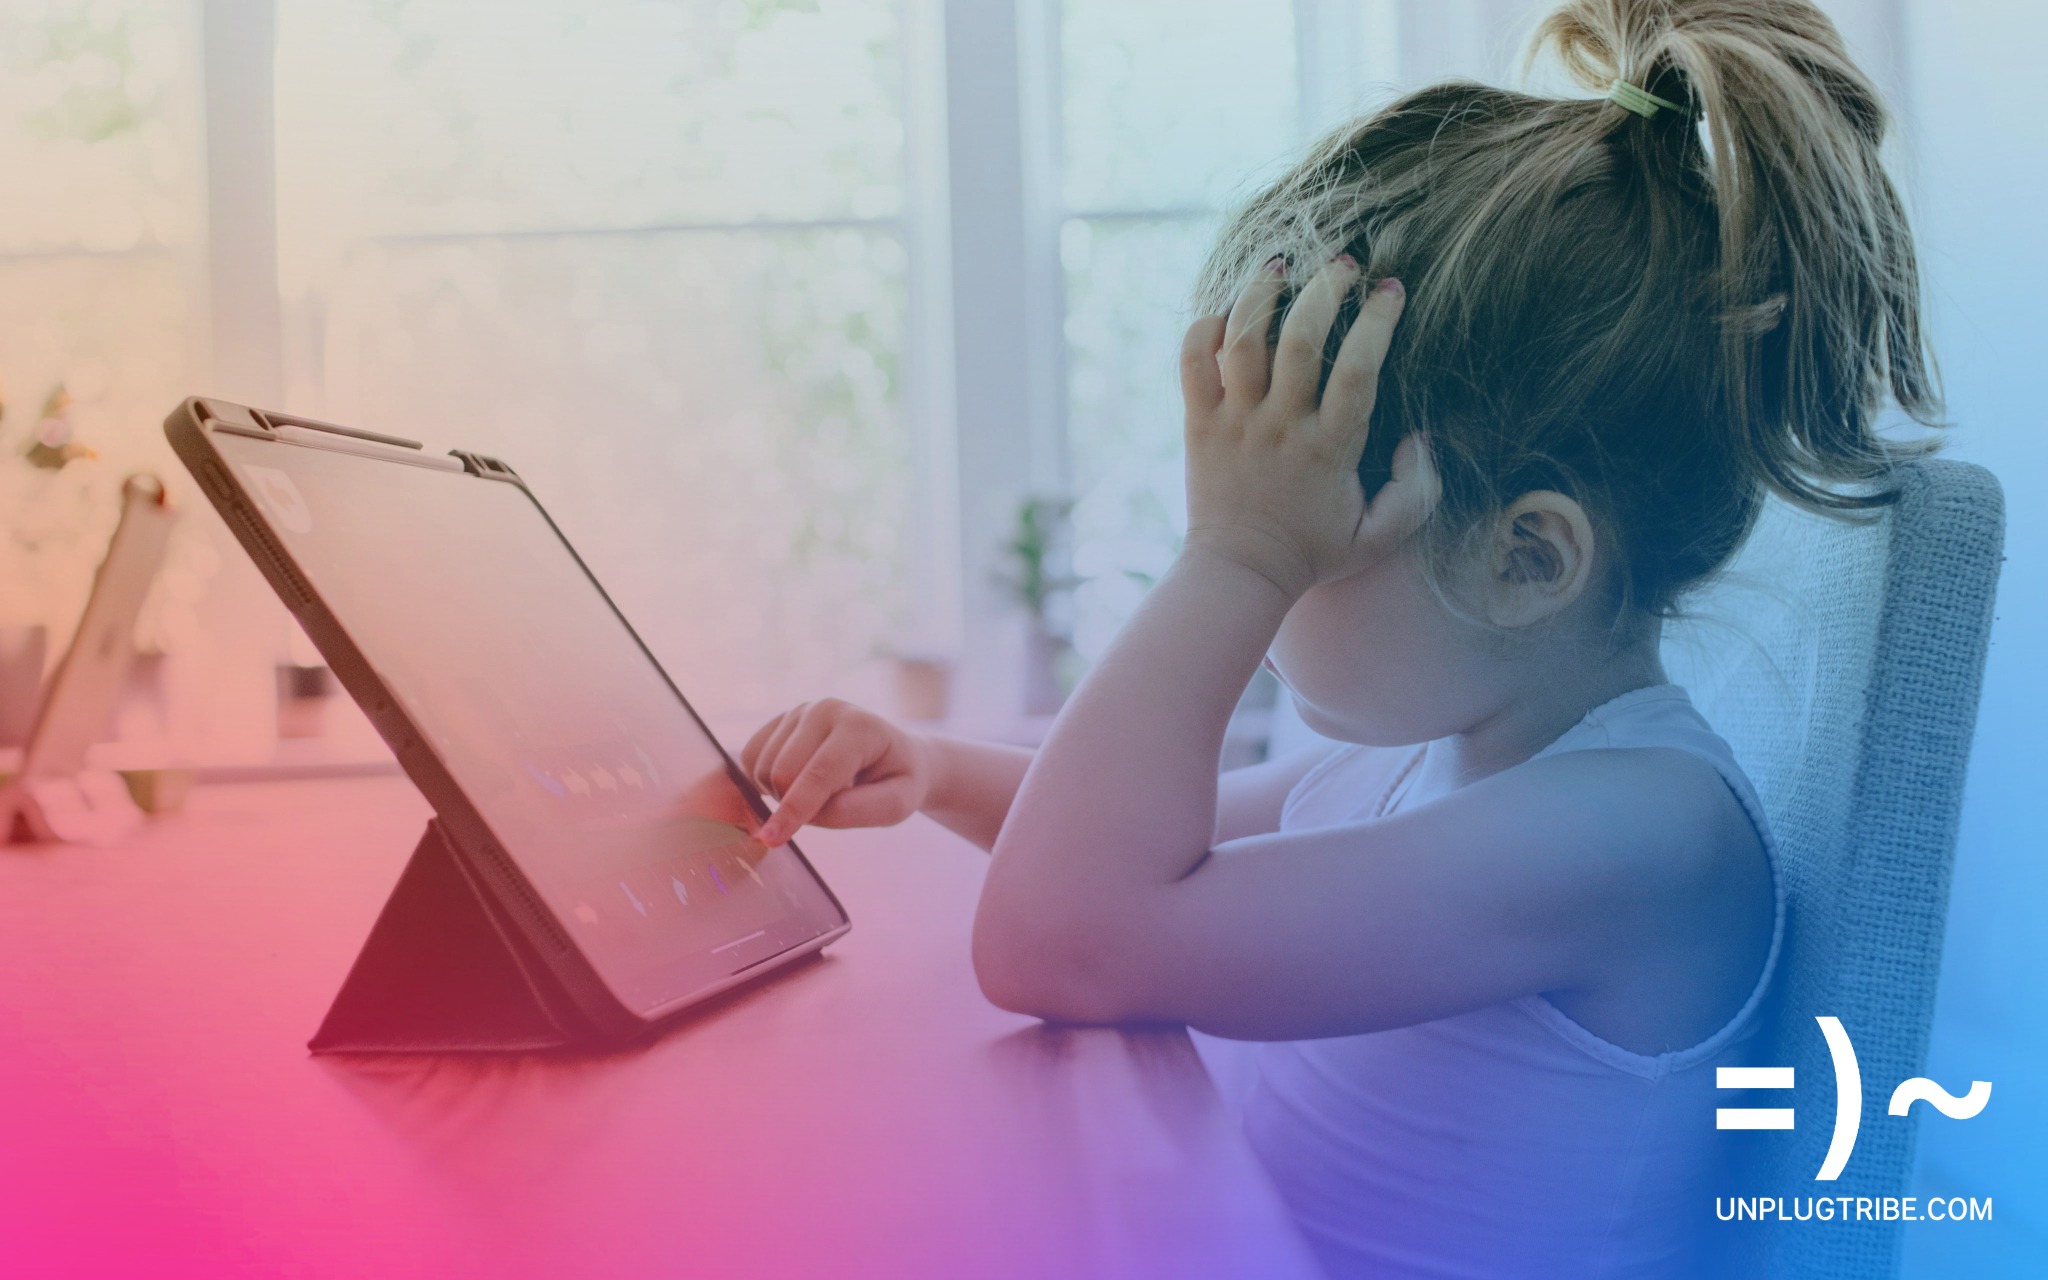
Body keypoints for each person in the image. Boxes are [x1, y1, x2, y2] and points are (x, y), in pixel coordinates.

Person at [740, 0, 1937, 1273]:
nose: (1259, 603)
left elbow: (1061, 934)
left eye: (1302, 541)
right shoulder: (1454, 751)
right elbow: (1152, 831)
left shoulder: (1639, 836)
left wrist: (1234, 557)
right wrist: (931, 764)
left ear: (1523, 559)